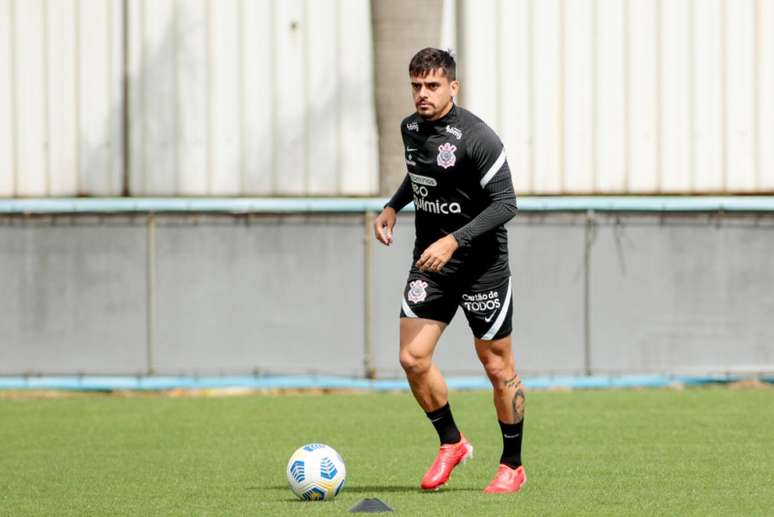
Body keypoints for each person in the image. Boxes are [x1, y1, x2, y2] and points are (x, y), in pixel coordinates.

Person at [373, 48, 526, 494]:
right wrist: (392, 206)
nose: (422, 94)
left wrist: (454, 238)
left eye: (432, 86)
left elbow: (506, 204)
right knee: (412, 358)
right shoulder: (411, 128)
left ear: (453, 87)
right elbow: (419, 174)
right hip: (431, 265)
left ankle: (512, 465)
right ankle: (452, 442)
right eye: (416, 86)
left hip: (482, 268)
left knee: (497, 367)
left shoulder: (479, 138)